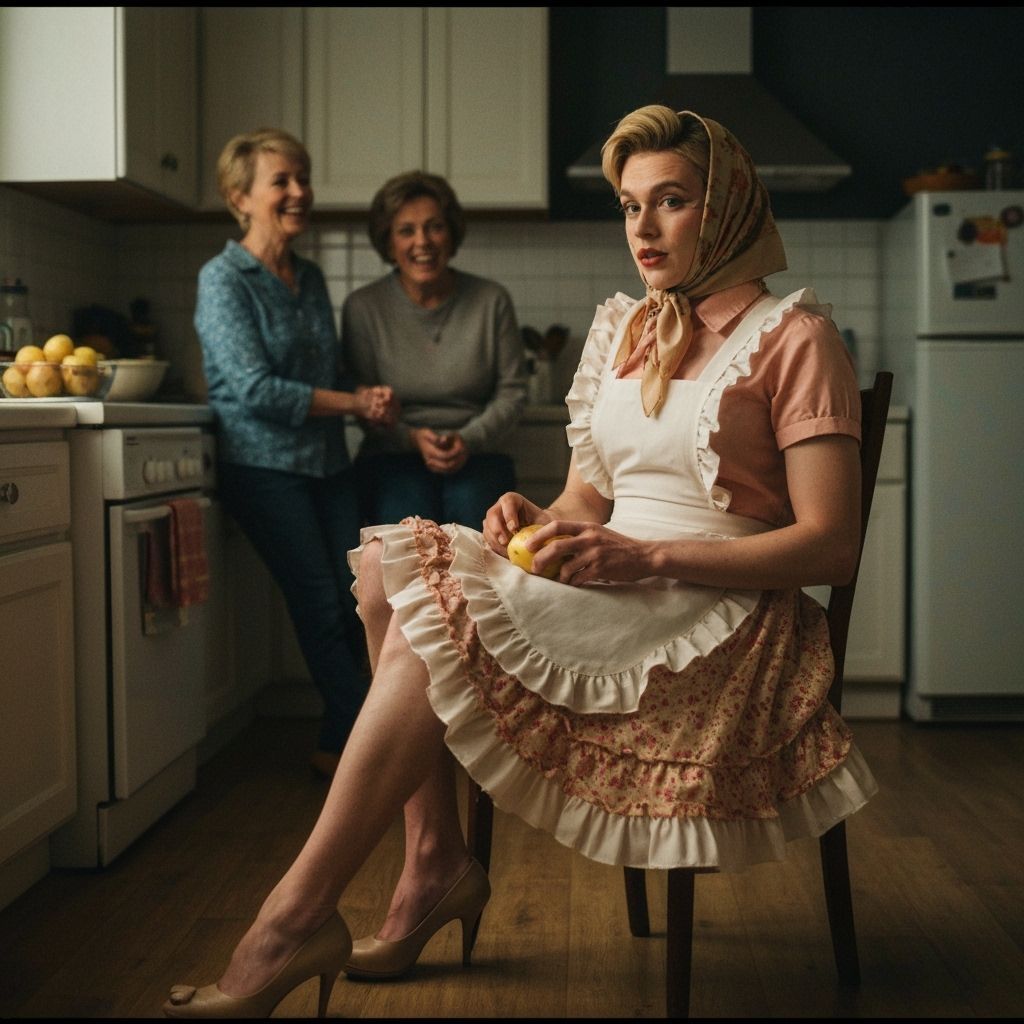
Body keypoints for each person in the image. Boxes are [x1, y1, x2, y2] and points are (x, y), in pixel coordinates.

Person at [163, 106, 877, 1018]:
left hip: (720, 615)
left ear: (726, 206)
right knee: (389, 571)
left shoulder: (797, 338)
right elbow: (586, 500)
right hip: (622, 581)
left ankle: (293, 920)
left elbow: (833, 545)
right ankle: (433, 863)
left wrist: (645, 552)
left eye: (671, 202)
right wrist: (532, 516)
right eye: (629, 206)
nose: (644, 230)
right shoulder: (627, 330)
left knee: (424, 621)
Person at [194, 128, 397, 780]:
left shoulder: (307, 276)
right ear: (239, 196)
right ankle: (380, 748)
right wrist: (355, 404)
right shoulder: (224, 278)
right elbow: (253, 390)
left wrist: (371, 401)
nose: (299, 192)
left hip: (326, 463)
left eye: (302, 177)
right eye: (281, 180)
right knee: (316, 601)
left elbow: (328, 368)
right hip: (262, 466)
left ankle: (340, 745)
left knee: (357, 598)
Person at [341, 170, 527, 529]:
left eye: (435, 227)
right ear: (388, 241)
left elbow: (513, 392)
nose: (422, 242)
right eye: (406, 230)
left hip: (478, 453)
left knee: (477, 537)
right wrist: (410, 437)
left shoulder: (491, 300)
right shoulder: (363, 307)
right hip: (391, 456)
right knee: (407, 539)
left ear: (452, 233)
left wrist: (468, 439)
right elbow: (360, 398)